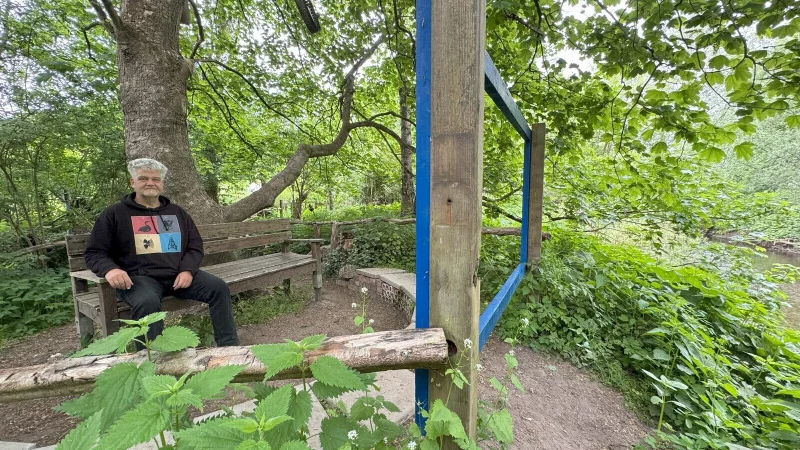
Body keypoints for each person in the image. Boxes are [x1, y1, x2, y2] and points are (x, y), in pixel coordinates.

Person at [84, 158, 239, 347]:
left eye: (156, 179)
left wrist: (187, 270)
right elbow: (94, 253)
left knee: (218, 287)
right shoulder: (114, 214)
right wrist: (110, 270)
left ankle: (229, 347)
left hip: (177, 276)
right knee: (147, 302)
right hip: (140, 280)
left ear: (162, 184)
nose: (150, 183)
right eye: (143, 178)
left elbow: (195, 246)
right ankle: (151, 360)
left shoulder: (177, 213)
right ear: (133, 183)